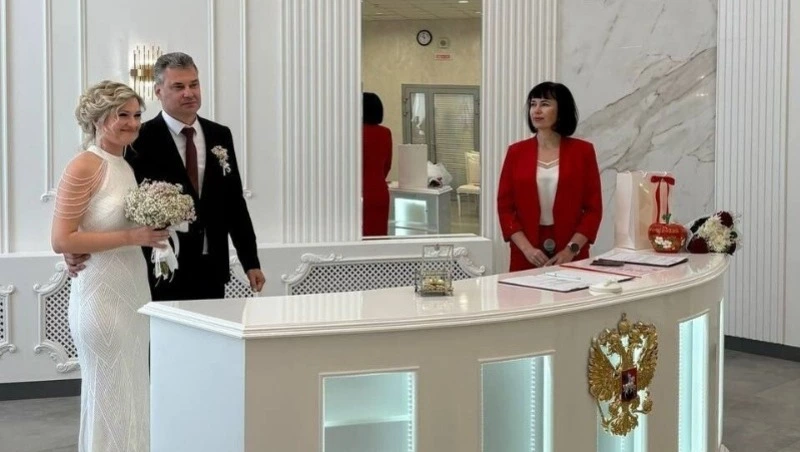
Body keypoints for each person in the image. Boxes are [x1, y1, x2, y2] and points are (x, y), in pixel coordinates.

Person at [65, 52, 266, 300]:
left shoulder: (220, 135)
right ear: (158, 91)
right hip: (158, 268)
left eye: (194, 84)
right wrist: (74, 248)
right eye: (178, 86)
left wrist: (250, 261)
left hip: (212, 268)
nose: (189, 93)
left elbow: (234, 203)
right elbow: (109, 198)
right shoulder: (136, 139)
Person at [51, 80, 167, 451]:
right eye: (122, 115)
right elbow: (62, 239)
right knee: (109, 395)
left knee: (133, 391)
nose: (133, 123)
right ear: (99, 119)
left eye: (136, 115)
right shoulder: (84, 165)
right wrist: (133, 237)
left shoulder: (124, 166)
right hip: (101, 297)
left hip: (132, 292)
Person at [497, 82, 602, 272]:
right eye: (533, 104)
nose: (536, 110)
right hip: (526, 250)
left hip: (571, 249)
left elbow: (593, 209)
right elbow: (505, 208)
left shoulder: (583, 152)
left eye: (545, 104)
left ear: (561, 110)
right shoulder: (516, 152)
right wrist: (527, 249)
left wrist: (571, 249)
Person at [362, 92, 392, 237]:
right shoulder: (385, 133)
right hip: (380, 192)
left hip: (357, 192)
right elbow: (387, 165)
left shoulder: (353, 133)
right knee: (377, 236)